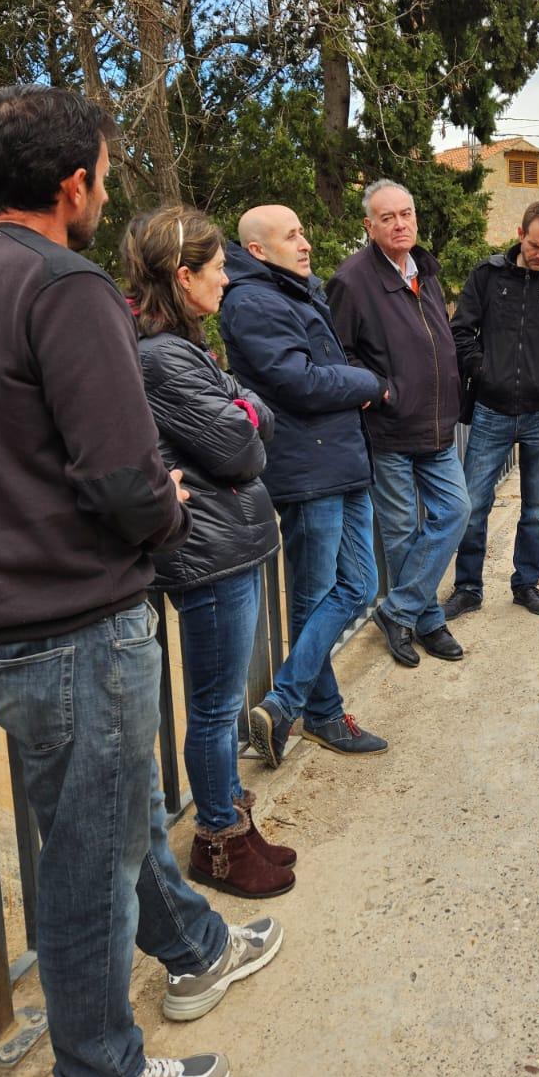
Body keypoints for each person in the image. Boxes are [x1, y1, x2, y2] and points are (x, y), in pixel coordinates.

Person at [0, 87, 281, 1077]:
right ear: (74, 185)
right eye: (106, 175)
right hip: (72, 614)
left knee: (103, 821)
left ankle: (198, 947)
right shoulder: (63, 285)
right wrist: (167, 502)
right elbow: (124, 475)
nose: (107, 190)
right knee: (87, 856)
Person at [122, 206, 295, 898]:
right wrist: (244, 414)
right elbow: (241, 446)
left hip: (226, 541)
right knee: (218, 708)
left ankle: (232, 823)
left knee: (220, 704)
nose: (227, 280)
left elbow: (251, 416)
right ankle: (218, 843)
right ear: (183, 275)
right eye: (219, 268)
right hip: (209, 554)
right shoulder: (163, 357)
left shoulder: (182, 346)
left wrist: (243, 409)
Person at [218, 205, 388, 763]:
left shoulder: (292, 292)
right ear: (259, 250)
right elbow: (299, 382)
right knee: (318, 596)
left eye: (303, 230)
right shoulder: (253, 301)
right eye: (292, 235)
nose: (306, 242)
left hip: (338, 460)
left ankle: (290, 703)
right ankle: (315, 712)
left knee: (357, 587)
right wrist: (366, 380)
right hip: (308, 468)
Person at [325, 181, 469, 668]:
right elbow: (337, 353)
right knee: (403, 530)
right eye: (387, 217)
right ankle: (427, 621)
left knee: (455, 512)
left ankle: (401, 611)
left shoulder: (423, 268)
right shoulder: (351, 280)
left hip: (438, 424)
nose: (400, 223)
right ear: (369, 226)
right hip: (390, 427)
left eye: (405, 213)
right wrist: (379, 389)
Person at [443, 199, 539, 620]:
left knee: (537, 507)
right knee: (473, 505)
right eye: (535, 246)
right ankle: (468, 588)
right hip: (491, 410)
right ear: (520, 235)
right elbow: (460, 332)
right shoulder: (487, 276)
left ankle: (526, 584)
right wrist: (483, 369)